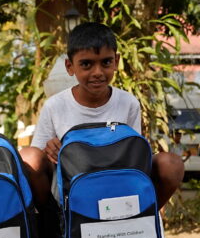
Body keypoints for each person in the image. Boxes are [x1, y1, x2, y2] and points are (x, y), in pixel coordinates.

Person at [20, 21, 184, 210]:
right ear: (69, 66)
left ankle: (144, 215)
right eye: (86, 64)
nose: (97, 72)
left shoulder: (128, 103)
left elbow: (134, 157)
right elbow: (37, 161)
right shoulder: (55, 106)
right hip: (70, 191)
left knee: (171, 164)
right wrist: (49, 151)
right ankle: (51, 222)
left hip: (117, 184)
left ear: (116, 61)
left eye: (105, 62)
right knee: (29, 156)